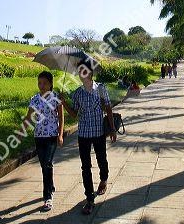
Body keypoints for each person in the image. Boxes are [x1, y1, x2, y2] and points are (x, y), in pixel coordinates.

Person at [59, 61, 116, 215]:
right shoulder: (77, 93)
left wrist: (112, 129)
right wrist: (64, 103)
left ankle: (104, 179)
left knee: (101, 159)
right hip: (83, 133)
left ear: (90, 74)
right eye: (80, 72)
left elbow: (109, 108)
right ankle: (89, 199)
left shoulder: (101, 88)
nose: (82, 74)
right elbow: (74, 114)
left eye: (85, 71)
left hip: (98, 132)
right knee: (85, 166)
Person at [22, 71, 64, 212]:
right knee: (44, 166)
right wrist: (21, 132)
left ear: (51, 84)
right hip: (38, 136)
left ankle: (47, 198)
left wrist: (60, 135)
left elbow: (61, 118)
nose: (42, 85)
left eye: (45, 83)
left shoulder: (56, 98)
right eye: (39, 82)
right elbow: (28, 117)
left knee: (47, 164)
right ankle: (50, 185)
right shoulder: (34, 99)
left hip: (52, 136)